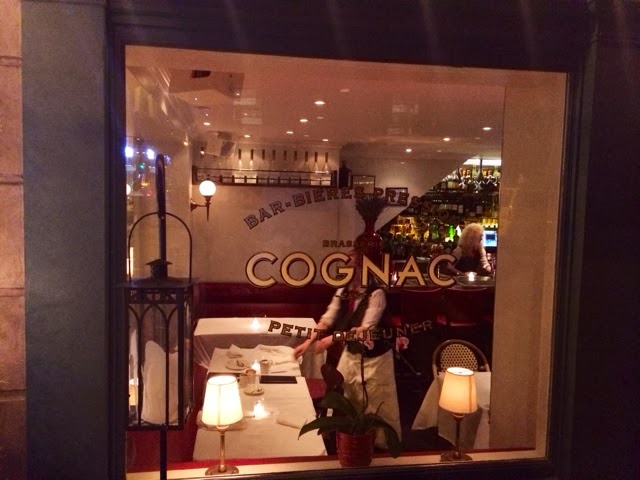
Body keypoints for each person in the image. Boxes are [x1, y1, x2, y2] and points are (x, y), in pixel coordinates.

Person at [293, 250, 402, 449]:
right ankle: (346, 439)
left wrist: (331, 339)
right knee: (345, 396)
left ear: (365, 269)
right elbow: (327, 319)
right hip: (351, 354)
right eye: (347, 267)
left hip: (375, 359)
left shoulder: (376, 294)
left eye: (354, 267)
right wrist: (306, 343)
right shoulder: (343, 289)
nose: (349, 271)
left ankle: (381, 446)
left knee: (376, 402)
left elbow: (364, 330)